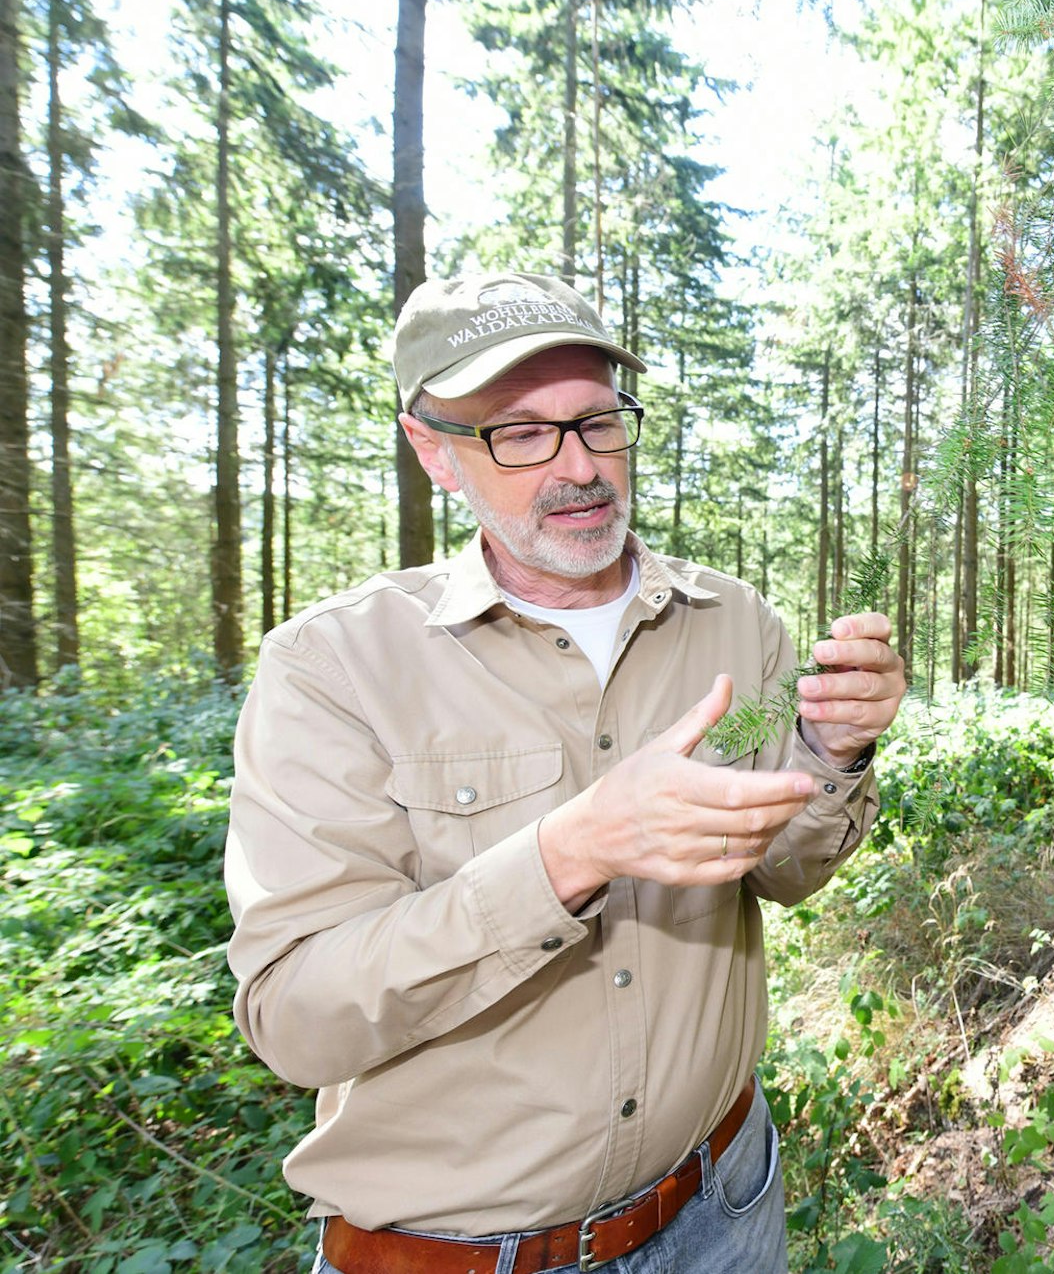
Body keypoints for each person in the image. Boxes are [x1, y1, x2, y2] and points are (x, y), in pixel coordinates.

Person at [224, 271, 905, 1274]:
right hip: (454, 1254)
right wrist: (567, 851)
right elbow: (297, 1015)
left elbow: (786, 872)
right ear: (433, 451)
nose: (578, 466)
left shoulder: (730, 622)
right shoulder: (334, 667)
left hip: (721, 1205)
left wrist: (832, 750)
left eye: (596, 421)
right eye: (519, 432)